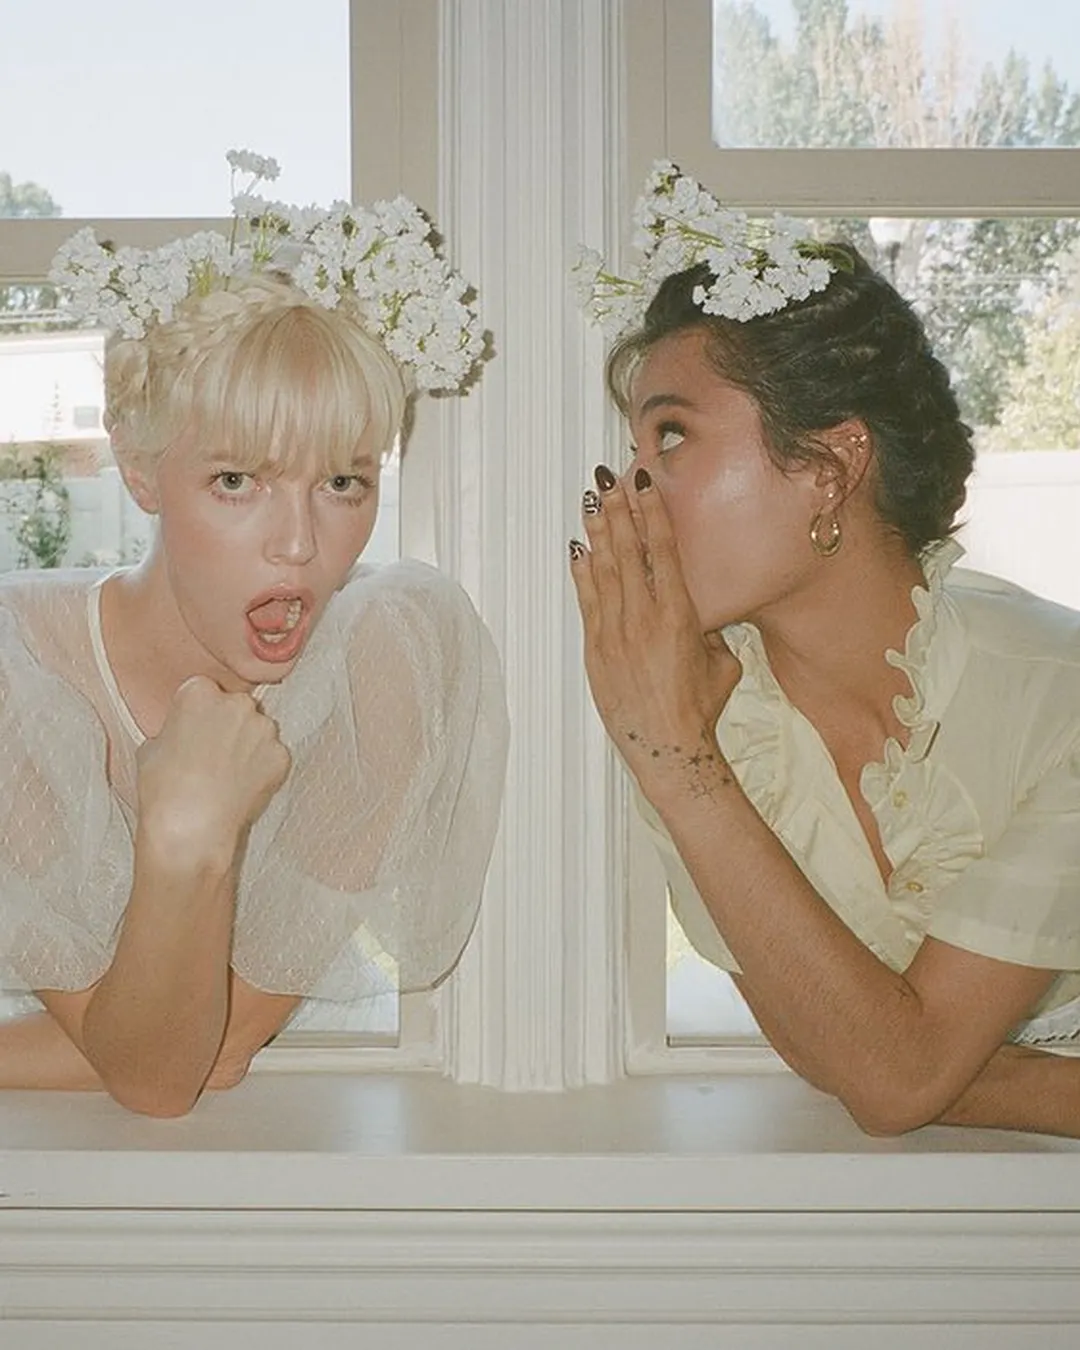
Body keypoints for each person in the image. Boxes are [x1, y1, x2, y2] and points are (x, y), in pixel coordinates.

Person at [570, 162, 1080, 1138]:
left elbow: (885, 1076)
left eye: (670, 437)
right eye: (632, 454)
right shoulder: (690, 717)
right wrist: (675, 759)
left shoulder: (1059, 698)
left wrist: (898, 1052)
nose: (634, 495)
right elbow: (842, 1059)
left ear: (831, 464)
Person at [0, 152, 508, 1118]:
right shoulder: (16, 671)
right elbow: (162, 1064)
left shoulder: (384, 666)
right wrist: (185, 824)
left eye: (343, 482)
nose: (300, 544)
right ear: (139, 470)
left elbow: (193, 1057)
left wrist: (189, 834)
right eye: (237, 481)